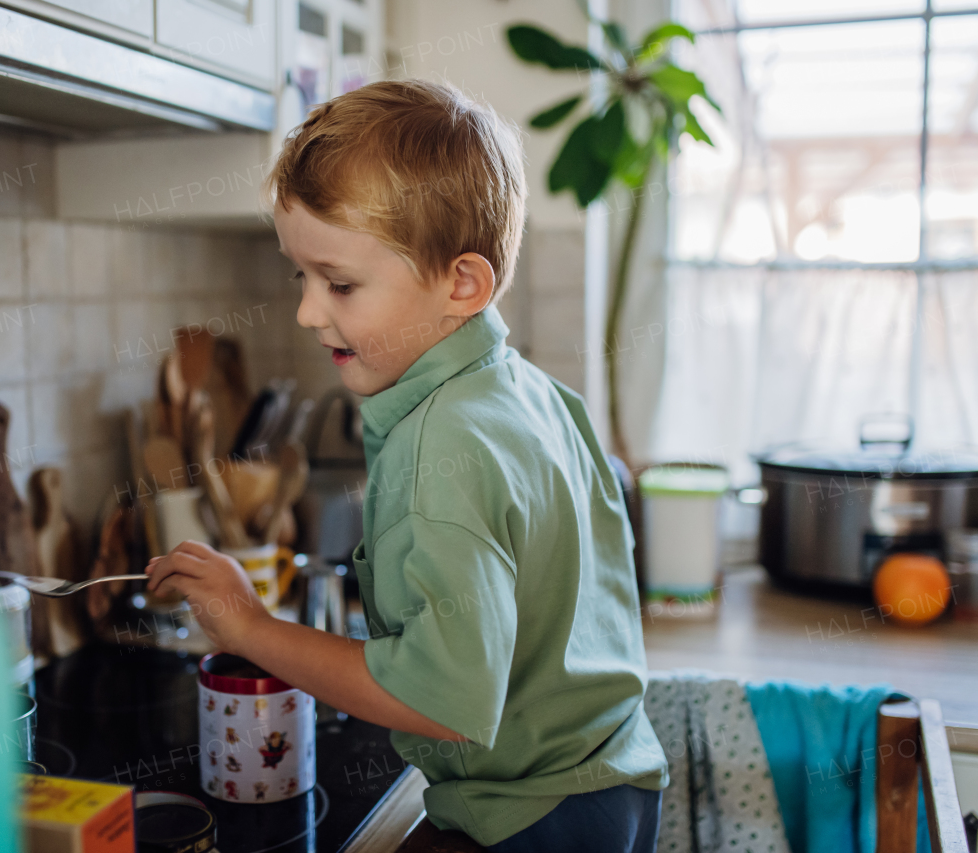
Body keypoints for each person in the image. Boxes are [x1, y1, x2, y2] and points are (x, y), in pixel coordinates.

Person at [146, 79, 669, 852]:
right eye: (303, 276)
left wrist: (250, 626)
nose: (307, 311)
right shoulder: (539, 393)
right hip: (614, 781)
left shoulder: (440, 447)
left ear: (462, 283)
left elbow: (443, 700)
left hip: (530, 816)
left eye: (341, 283)